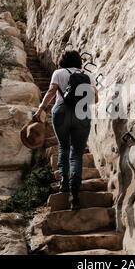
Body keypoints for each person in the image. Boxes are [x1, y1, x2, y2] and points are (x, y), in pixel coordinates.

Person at [33, 50, 98, 210]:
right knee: (77, 153)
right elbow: (95, 99)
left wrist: (40, 110)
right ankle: (74, 195)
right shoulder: (88, 75)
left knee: (64, 146)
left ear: (62, 60)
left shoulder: (58, 73)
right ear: (78, 61)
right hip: (81, 113)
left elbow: (51, 92)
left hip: (61, 111)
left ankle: (63, 180)